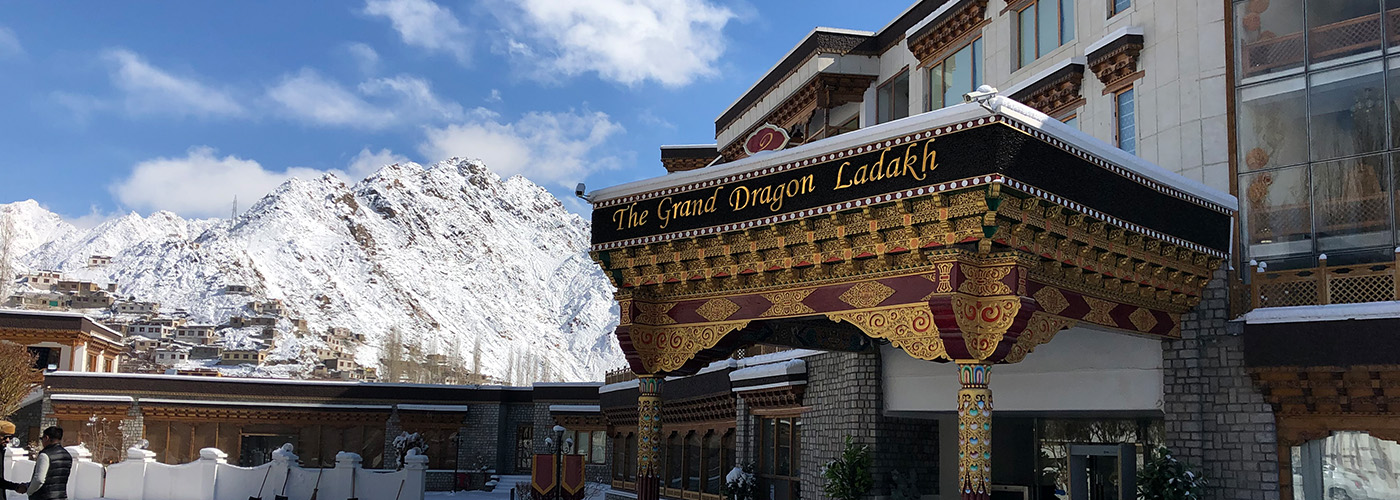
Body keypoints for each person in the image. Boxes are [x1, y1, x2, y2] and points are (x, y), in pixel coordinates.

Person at [25, 426, 70, 500]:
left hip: (44, 496)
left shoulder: (45, 455)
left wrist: (30, 491)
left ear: (46, 438)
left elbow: (39, 479)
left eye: (42, 439)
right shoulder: (67, 455)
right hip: (61, 496)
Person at [0, 420, 26, 494]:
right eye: (5, 437)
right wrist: (15, 487)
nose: (8, 440)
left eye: (10, 437)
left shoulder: (1, 450)